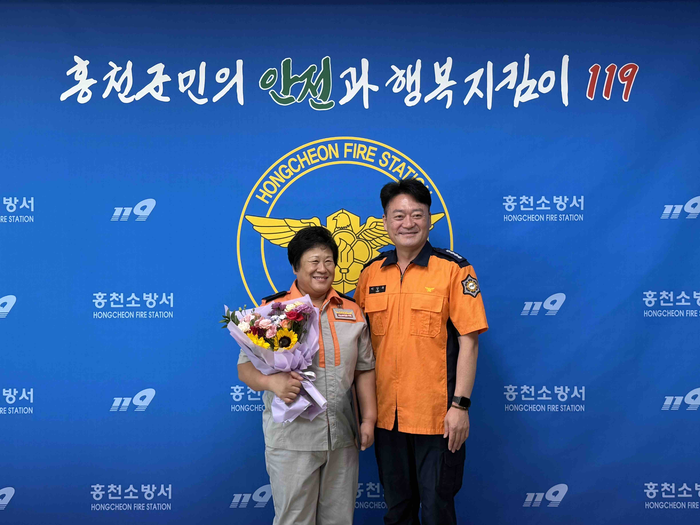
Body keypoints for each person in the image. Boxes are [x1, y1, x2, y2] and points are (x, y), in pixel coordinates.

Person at [354, 179, 488, 525]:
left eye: (417, 214)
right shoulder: (370, 274)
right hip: (386, 417)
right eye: (398, 216)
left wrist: (460, 406)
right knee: (397, 511)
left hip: (437, 419)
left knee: (436, 511)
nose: (408, 223)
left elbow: (470, 342)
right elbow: (359, 348)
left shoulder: (454, 269)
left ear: (429, 219)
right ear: (385, 222)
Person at [238, 226, 377, 525]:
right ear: (296, 266)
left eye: (328, 261)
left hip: (342, 436)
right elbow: (245, 368)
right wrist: (271, 382)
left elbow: (364, 369)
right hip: (292, 439)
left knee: (339, 520)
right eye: (314, 261)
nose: (322, 269)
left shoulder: (352, 311)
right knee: (294, 520)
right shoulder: (272, 311)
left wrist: (368, 418)